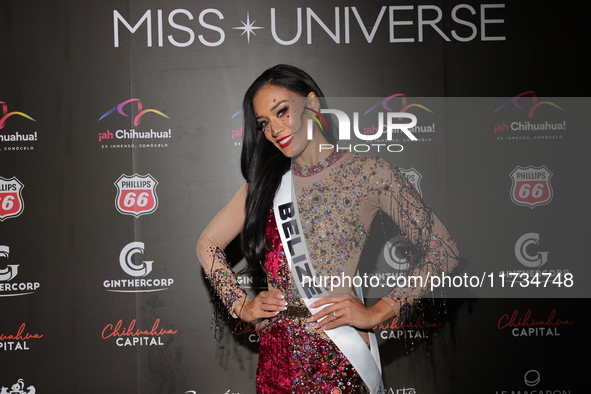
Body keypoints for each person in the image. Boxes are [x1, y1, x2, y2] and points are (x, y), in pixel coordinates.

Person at [197, 64, 461, 394]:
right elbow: (208, 244)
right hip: (277, 359)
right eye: (264, 123)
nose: (275, 129)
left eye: (282, 112)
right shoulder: (266, 185)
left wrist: (379, 311)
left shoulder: (368, 173)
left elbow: (444, 249)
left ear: (312, 104)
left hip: (340, 354)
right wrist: (242, 305)